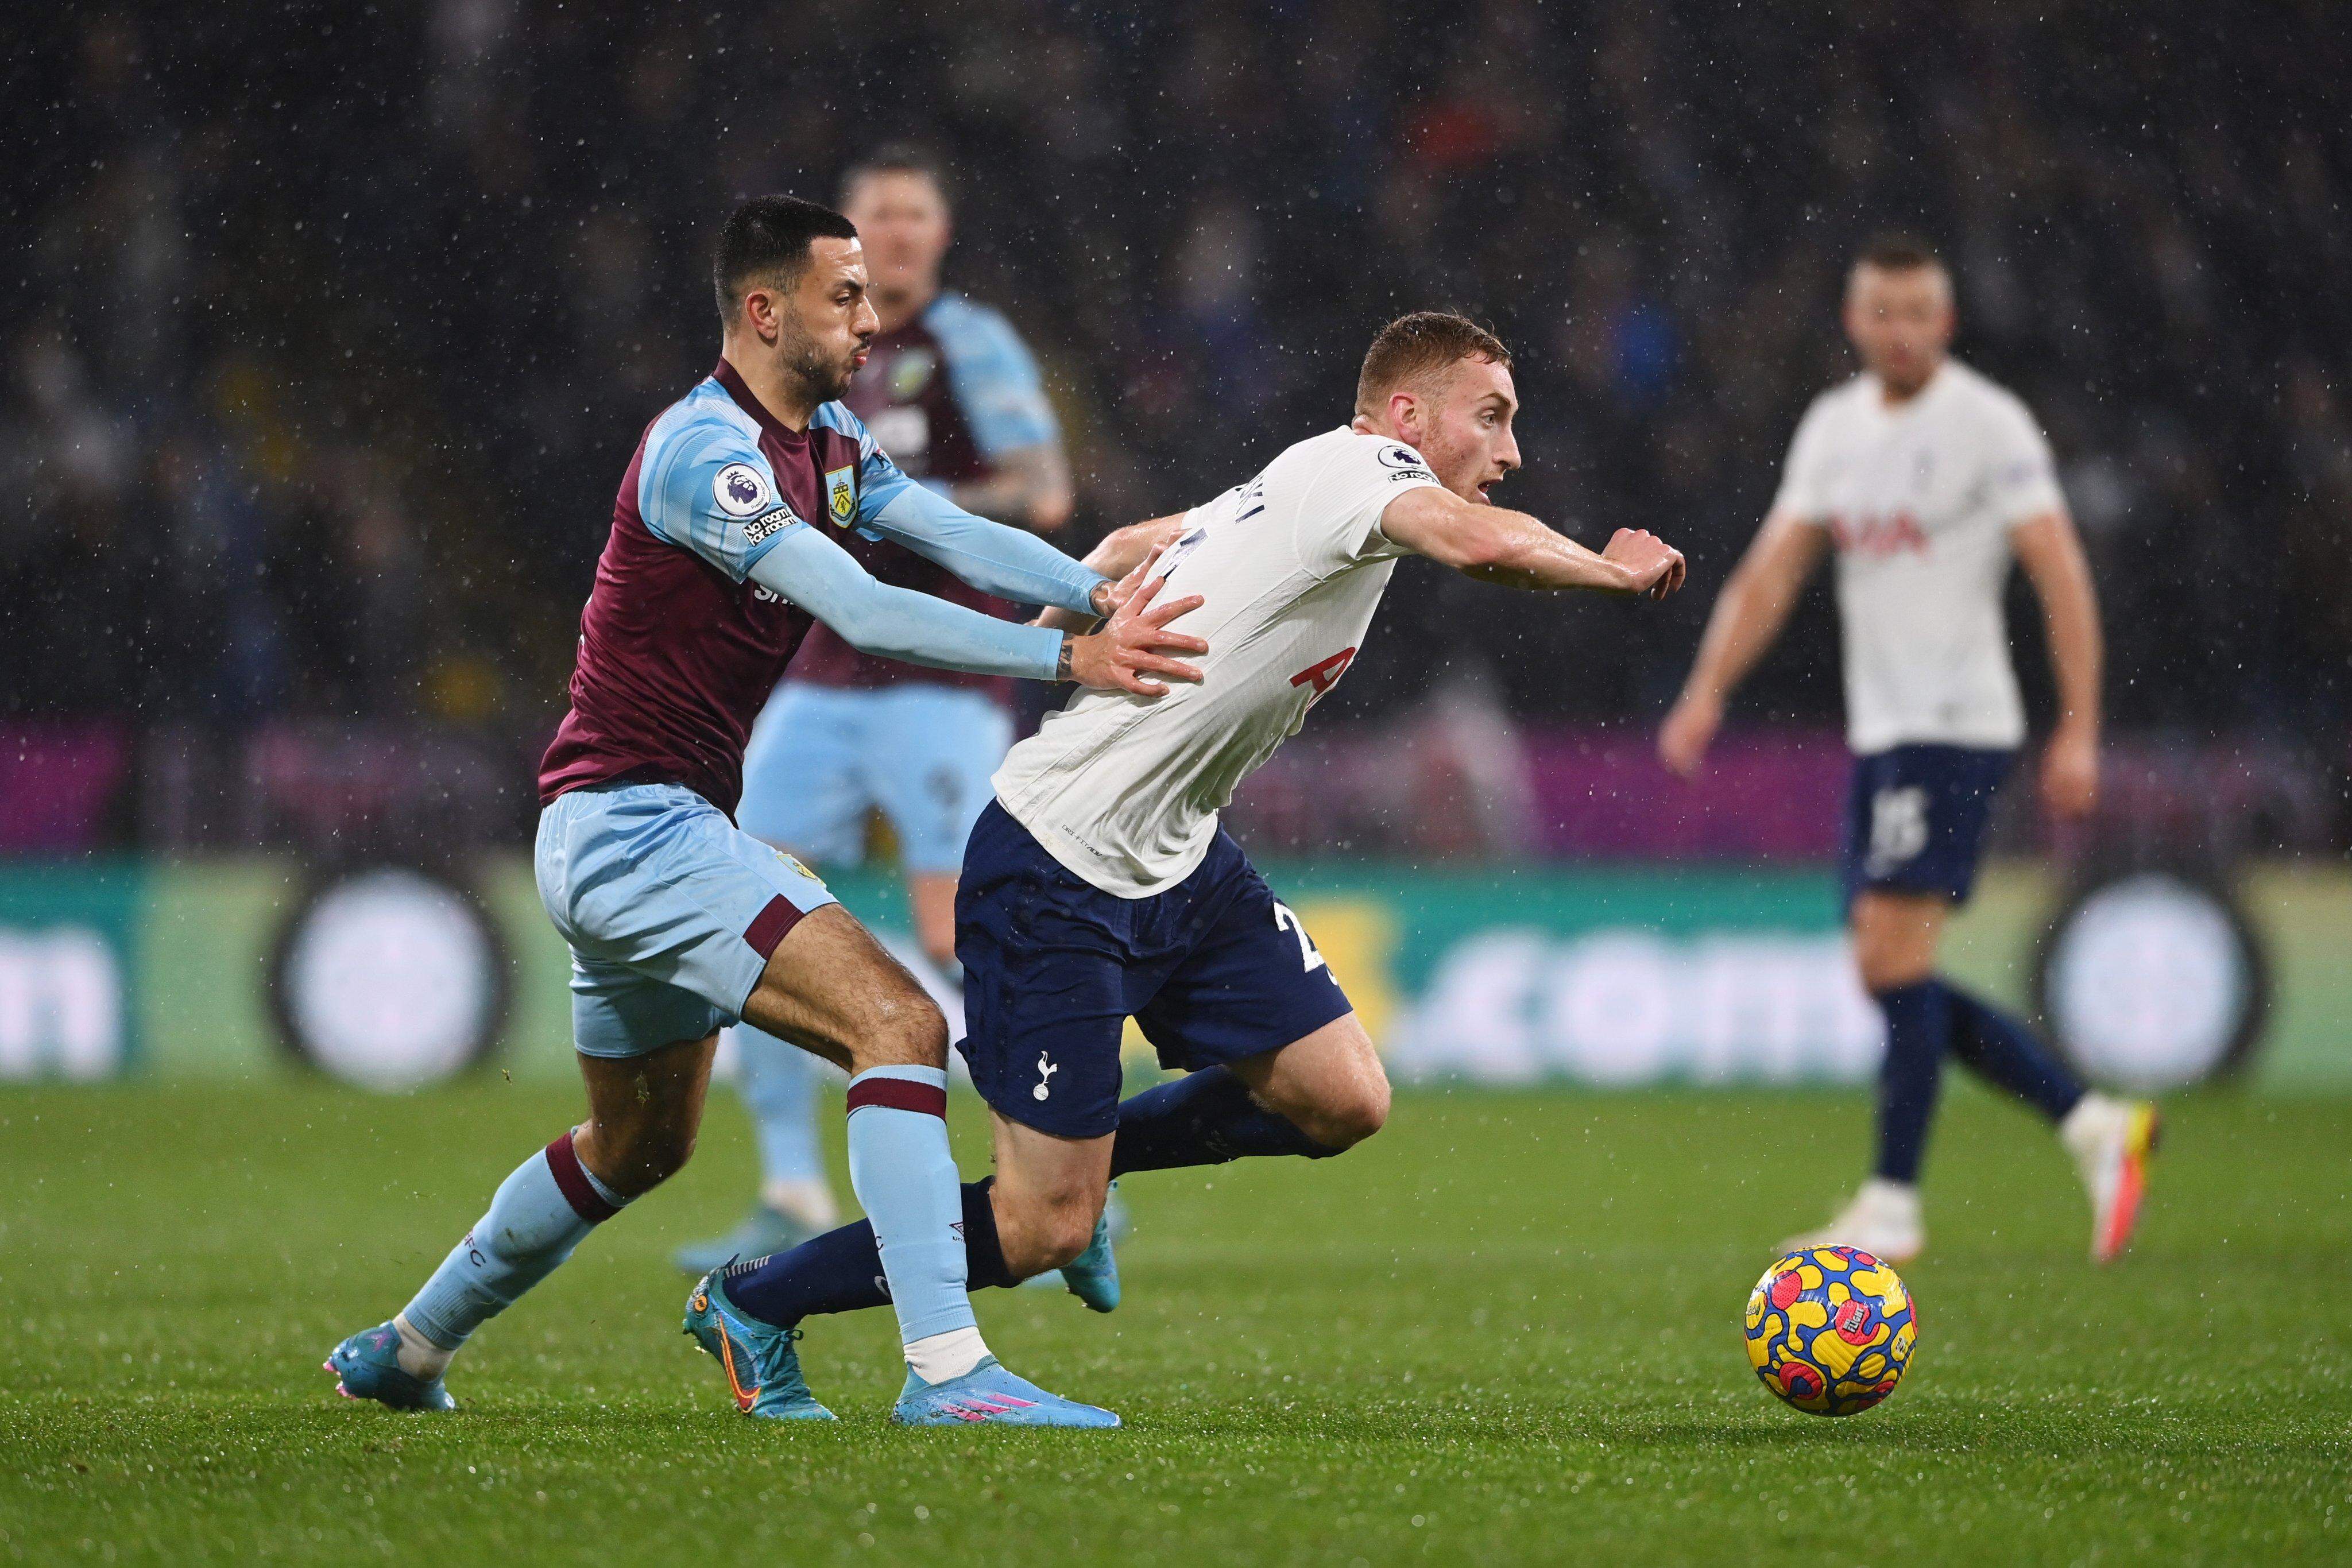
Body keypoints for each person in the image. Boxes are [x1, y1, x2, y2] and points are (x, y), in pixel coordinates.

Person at [323, 195, 1206, 1429]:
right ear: (762, 310)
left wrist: (1084, 593)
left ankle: (408, 1347)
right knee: (896, 1024)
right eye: (843, 295)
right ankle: (948, 1372)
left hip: (621, 833)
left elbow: (936, 529)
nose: (868, 313)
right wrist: (1064, 659)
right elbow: (863, 607)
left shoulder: (832, 437)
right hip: (641, 831)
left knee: (636, 1145)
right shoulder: (705, 456)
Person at [690, 313, 1685, 1401]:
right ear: (1408, 417)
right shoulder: (1363, 468)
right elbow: (1483, 544)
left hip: (1181, 861)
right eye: (1490, 418)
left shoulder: (1306, 486)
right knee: (1041, 1230)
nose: (1511, 452)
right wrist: (1606, 568)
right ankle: (760, 1299)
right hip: (1056, 865)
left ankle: (1083, 1150)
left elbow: (1133, 546)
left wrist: (1076, 597)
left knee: (1342, 1097)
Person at [1655, 236, 2157, 1265]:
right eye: (1882, 313)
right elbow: (1770, 575)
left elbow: (2061, 575)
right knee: (1890, 970)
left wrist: (2082, 724)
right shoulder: (1834, 428)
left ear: (1949, 321)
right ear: (1854, 321)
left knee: (1893, 960)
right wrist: (1707, 688)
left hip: (1957, 723)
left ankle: (1896, 1201)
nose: (1901, 331)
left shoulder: (1988, 424)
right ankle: (2092, 1123)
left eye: (1919, 313)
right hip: (1885, 735)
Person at [675, 148, 1092, 1281]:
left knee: (958, 932)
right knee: (747, 908)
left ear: (941, 235)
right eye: (878, 220)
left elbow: (1043, 491)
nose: (897, 238)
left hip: (943, 686)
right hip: (818, 681)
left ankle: (1061, 1182)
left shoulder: (969, 344)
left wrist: (905, 504)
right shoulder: (807, 357)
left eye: (916, 217)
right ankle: (785, 1186)